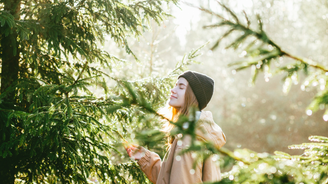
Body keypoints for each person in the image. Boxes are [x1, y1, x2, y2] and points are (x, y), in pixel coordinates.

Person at [125, 71, 226, 184]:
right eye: (175, 85)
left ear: (192, 96)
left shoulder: (188, 140)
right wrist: (145, 158)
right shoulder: (195, 133)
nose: (173, 90)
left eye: (181, 87)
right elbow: (171, 178)